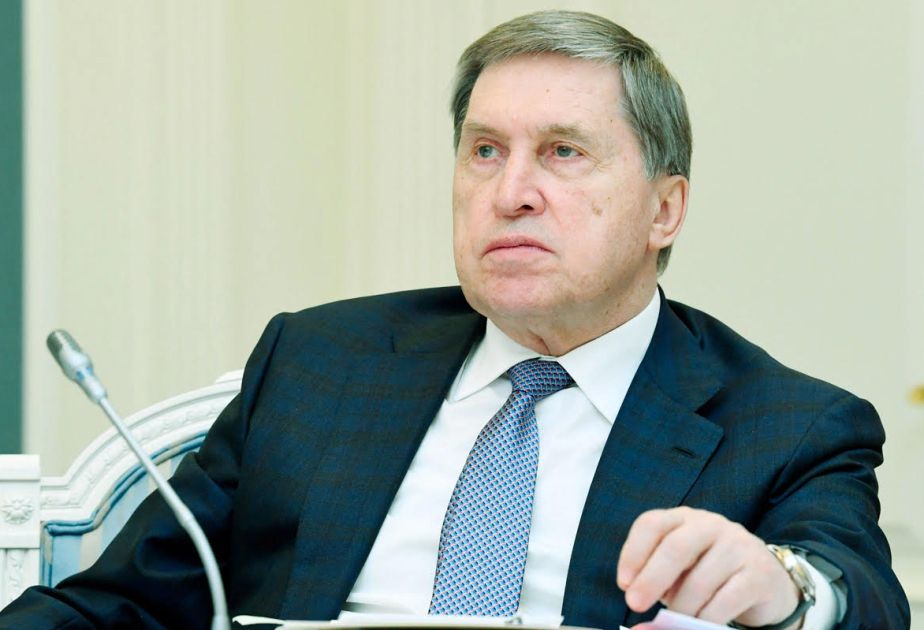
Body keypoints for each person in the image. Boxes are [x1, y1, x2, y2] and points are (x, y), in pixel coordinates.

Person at [0, 9, 909, 630]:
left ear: (664, 210)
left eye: (563, 152)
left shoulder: (786, 425)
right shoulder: (318, 362)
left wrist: (783, 589)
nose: (511, 193)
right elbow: (123, 605)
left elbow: (860, 596)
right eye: (484, 151)